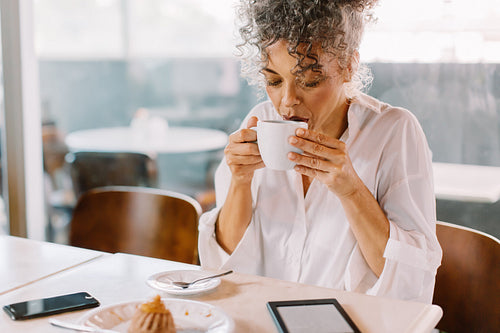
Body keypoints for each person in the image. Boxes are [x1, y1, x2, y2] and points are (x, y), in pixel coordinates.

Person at [198, 0, 442, 303]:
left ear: (349, 66)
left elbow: (412, 282)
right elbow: (221, 265)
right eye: (274, 80)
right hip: (265, 317)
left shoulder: (393, 131)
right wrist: (239, 180)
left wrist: (351, 190)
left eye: (309, 81)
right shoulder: (260, 122)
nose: (286, 102)